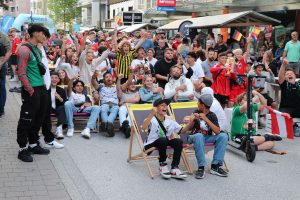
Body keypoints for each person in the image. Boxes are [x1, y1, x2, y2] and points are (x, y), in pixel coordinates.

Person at [16, 24, 51, 162]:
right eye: (43, 34)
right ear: (35, 33)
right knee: (26, 119)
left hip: (41, 88)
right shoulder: (24, 49)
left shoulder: (37, 49)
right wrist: (30, 90)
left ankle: (33, 144)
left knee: (39, 118)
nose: (45, 37)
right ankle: (22, 149)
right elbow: (21, 72)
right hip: (32, 90)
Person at [181, 94, 228, 179]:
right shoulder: (195, 112)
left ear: (202, 105)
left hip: (206, 138)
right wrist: (192, 121)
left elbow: (217, 131)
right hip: (193, 137)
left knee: (223, 136)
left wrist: (206, 119)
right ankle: (201, 167)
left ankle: (215, 166)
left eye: (198, 102)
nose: (197, 104)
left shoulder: (212, 115)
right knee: (199, 136)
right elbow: (184, 131)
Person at [141, 98, 187, 179]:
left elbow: (181, 130)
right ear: (156, 108)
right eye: (162, 105)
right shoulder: (151, 119)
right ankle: (162, 165)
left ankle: (174, 168)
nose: (165, 107)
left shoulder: (169, 120)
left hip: (164, 142)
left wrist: (192, 123)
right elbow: (143, 128)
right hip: (151, 144)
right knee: (163, 139)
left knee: (178, 141)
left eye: (166, 105)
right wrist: (151, 114)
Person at [92, 72, 119, 137]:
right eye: (106, 77)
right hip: (105, 104)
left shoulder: (116, 87)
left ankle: (106, 124)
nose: (109, 78)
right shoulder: (101, 87)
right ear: (104, 80)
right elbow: (94, 83)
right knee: (103, 109)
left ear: (113, 79)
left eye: (110, 77)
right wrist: (93, 77)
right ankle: (109, 125)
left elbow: (125, 85)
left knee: (116, 109)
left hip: (114, 104)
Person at [116, 74, 140, 138]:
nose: (133, 85)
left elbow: (137, 100)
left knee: (131, 113)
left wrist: (124, 101)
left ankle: (125, 127)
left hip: (132, 108)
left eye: (134, 83)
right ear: (127, 86)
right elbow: (118, 88)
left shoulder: (137, 93)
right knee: (121, 109)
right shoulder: (122, 93)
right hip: (124, 107)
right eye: (131, 84)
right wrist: (118, 79)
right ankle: (126, 127)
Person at [48, 71, 68, 139]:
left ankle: (59, 130)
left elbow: (65, 102)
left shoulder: (61, 90)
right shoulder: (46, 89)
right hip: (48, 108)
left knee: (62, 108)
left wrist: (60, 98)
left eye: (56, 78)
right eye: (52, 77)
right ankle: (48, 130)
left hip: (58, 108)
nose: (54, 79)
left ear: (58, 80)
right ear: (48, 79)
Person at [0, 31, 12, 118]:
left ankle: (1, 109)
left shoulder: (3, 37)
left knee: (1, 85)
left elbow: (9, 51)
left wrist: (2, 63)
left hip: (1, 64)